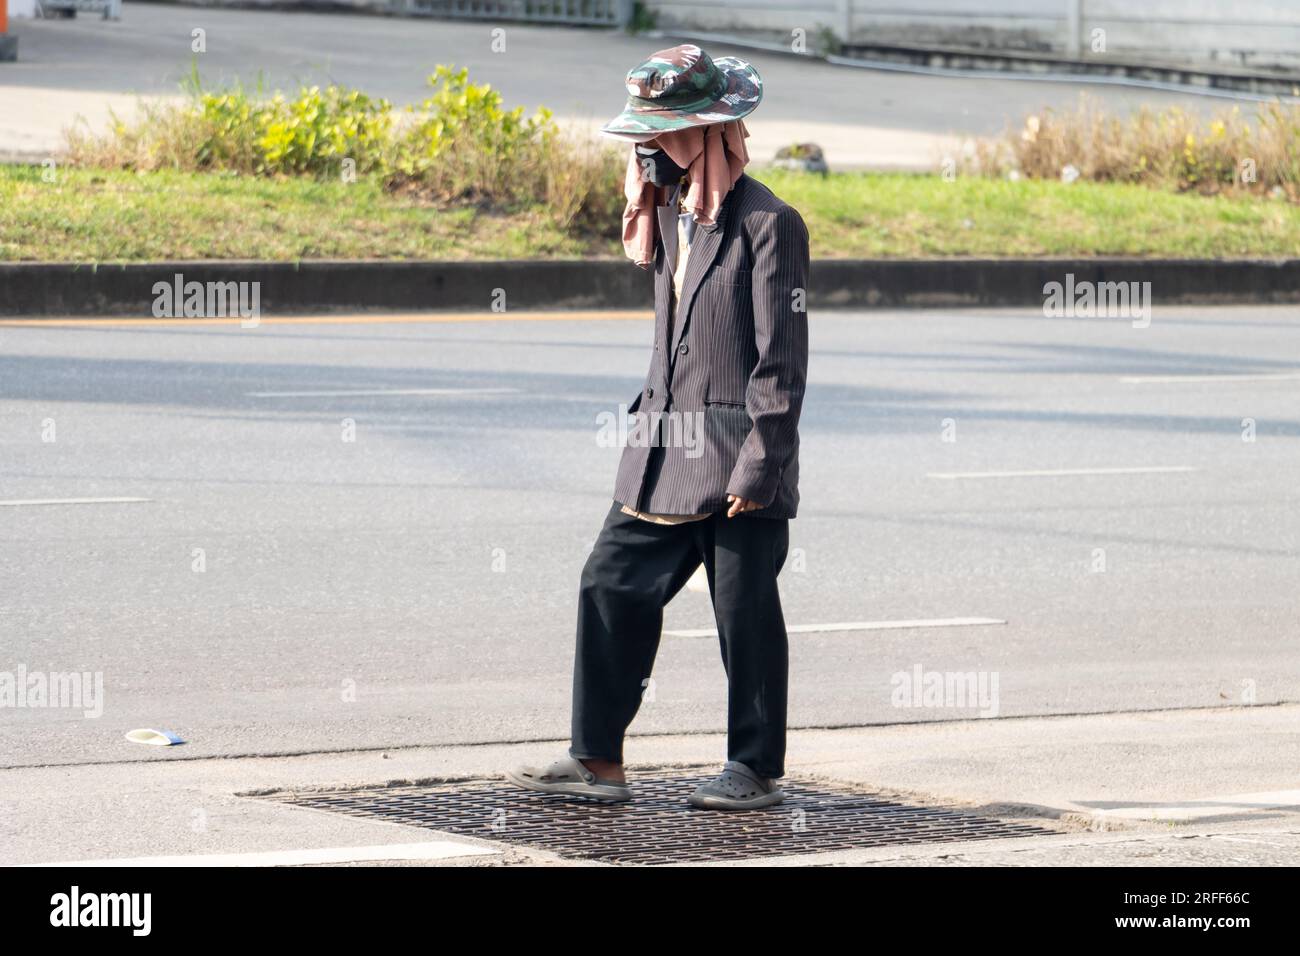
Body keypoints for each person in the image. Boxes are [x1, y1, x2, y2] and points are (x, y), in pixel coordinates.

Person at [507, 44, 810, 810]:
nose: (650, 150)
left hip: (742, 462)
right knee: (609, 582)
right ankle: (597, 760)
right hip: (661, 452)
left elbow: (782, 361)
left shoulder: (772, 225)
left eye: (665, 136)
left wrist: (760, 467)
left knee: (743, 615)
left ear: (709, 136)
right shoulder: (670, 216)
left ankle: (753, 768)